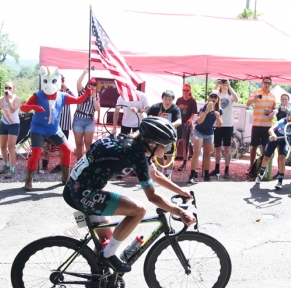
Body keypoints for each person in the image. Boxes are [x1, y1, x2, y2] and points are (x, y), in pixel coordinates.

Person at [63, 117, 196, 273]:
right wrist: (180, 212)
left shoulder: (132, 144)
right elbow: (152, 196)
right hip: (83, 193)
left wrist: (180, 191)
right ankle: (107, 258)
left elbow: (156, 176)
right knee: (138, 210)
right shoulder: (135, 153)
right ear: (152, 143)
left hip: (76, 189)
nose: (168, 149)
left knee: (106, 241)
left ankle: (97, 277)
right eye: (166, 145)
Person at [20, 66, 90, 190]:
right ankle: (29, 179)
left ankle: (65, 178)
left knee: (67, 150)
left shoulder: (62, 96)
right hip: (38, 128)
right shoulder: (38, 95)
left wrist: (87, 93)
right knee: (36, 154)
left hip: (54, 129)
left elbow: (79, 100)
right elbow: (24, 107)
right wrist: (34, 107)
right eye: (46, 81)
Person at [256, 106, 291, 189]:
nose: (289, 117)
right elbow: (270, 129)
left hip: (284, 140)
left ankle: (280, 181)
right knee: (266, 157)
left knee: (282, 158)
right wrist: (273, 134)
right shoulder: (282, 121)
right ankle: (261, 174)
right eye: (288, 115)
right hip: (274, 139)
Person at [146, 90, 182, 178]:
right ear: (162, 99)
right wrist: (145, 119)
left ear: (173, 100)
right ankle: (160, 173)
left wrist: (168, 125)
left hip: (170, 135)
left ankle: (168, 175)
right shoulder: (156, 106)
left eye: (170, 99)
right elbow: (145, 113)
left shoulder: (175, 108)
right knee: (159, 154)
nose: (167, 101)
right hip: (158, 135)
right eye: (165, 99)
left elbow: (179, 121)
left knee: (169, 155)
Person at [245, 75, 276, 176]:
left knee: (265, 148)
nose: (267, 85)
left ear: (270, 84)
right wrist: (254, 98)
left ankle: (262, 168)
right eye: (265, 83)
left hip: (267, 126)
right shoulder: (256, 93)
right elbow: (247, 104)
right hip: (257, 124)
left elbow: (274, 109)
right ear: (262, 83)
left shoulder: (273, 96)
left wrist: (271, 111)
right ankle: (251, 167)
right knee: (253, 146)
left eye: (269, 83)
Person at [189, 91, 223, 183]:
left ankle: (206, 175)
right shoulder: (203, 107)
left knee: (207, 154)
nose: (213, 99)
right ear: (209, 98)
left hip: (209, 132)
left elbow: (219, 125)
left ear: (218, 99)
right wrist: (206, 112)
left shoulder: (219, 110)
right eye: (211, 97)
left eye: (215, 97)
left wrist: (218, 117)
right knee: (197, 152)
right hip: (199, 131)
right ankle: (192, 175)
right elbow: (199, 122)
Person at [47, 75, 75, 173]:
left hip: (64, 123)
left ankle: (61, 165)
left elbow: (75, 98)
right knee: (47, 143)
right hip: (53, 122)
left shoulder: (67, 92)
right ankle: (45, 163)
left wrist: (66, 88)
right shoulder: (52, 91)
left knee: (63, 146)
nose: (61, 82)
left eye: (62, 80)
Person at [0, 81, 22, 178]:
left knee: (11, 147)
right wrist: (3, 99)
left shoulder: (17, 98)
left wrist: (9, 99)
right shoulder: (1, 98)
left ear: (13, 89)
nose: (8, 89)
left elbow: (13, 109)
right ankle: (5, 164)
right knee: (2, 146)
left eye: (10, 88)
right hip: (4, 123)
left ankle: (12, 169)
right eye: (6, 87)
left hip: (13, 124)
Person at [213, 79, 239, 179]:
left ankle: (227, 170)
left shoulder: (230, 96)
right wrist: (216, 85)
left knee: (227, 149)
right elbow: (210, 99)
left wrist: (230, 86)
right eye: (222, 83)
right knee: (217, 148)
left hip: (228, 125)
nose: (223, 84)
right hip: (218, 125)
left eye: (225, 83)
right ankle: (217, 168)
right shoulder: (217, 95)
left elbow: (236, 99)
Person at [74, 68, 101, 162]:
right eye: (91, 84)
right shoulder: (82, 92)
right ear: (87, 85)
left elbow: (97, 109)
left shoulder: (97, 96)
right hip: (79, 119)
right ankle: (79, 162)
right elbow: (78, 83)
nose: (92, 86)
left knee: (88, 143)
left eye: (94, 84)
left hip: (89, 120)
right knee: (78, 143)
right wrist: (84, 72)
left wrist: (93, 98)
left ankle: (87, 162)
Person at [175, 84, 198, 172]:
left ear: (190, 91)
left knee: (185, 144)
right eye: (184, 90)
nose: (185, 92)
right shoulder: (179, 100)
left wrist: (190, 120)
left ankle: (184, 163)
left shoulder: (192, 101)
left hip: (186, 123)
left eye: (187, 90)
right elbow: (176, 110)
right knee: (175, 142)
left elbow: (193, 114)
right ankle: (172, 161)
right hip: (178, 122)